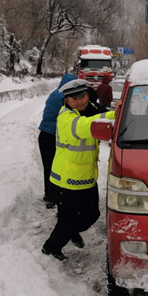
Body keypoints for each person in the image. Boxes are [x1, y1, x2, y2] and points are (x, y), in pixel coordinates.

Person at [42, 79, 104, 261]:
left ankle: (71, 232)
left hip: (86, 177)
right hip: (66, 180)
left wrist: (117, 110)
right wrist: (114, 116)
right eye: (74, 98)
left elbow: (100, 113)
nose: (80, 101)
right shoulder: (65, 118)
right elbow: (87, 126)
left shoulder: (89, 108)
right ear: (66, 100)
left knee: (92, 214)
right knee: (67, 220)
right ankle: (50, 247)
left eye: (83, 96)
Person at [38, 73, 77, 208]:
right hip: (51, 136)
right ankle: (53, 197)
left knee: (48, 167)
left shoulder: (55, 93)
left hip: (45, 136)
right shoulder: (63, 98)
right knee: (55, 169)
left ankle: (49, 195)